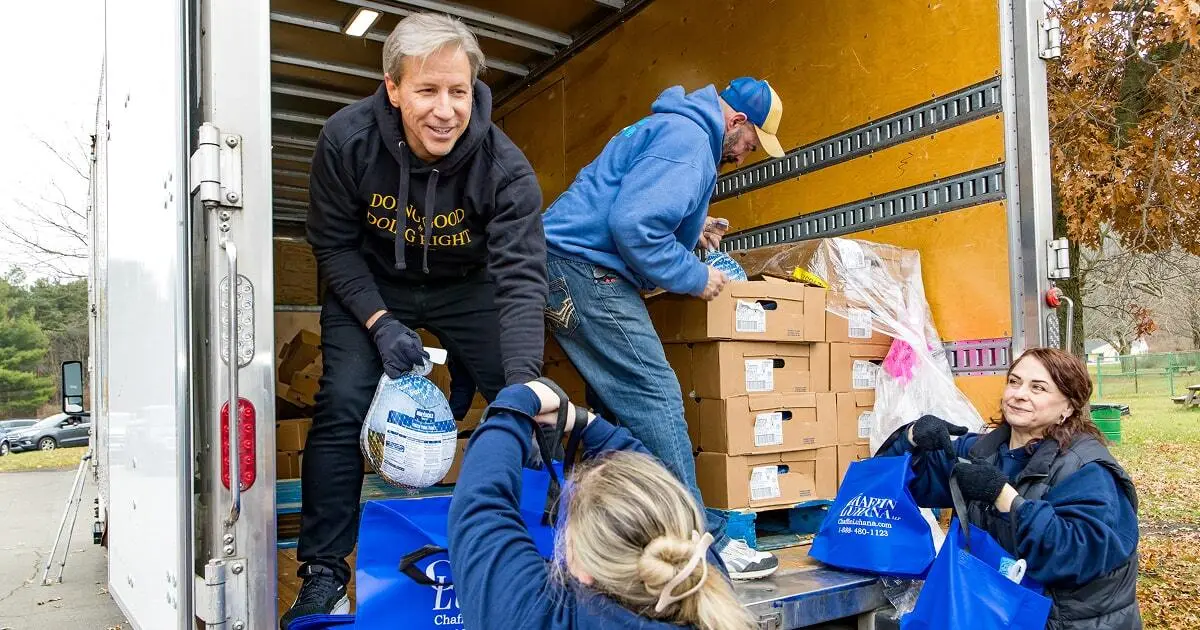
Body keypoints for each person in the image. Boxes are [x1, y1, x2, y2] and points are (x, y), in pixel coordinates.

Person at [283, 13, 547, 627]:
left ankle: (541, 545)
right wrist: (379, 322)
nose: (445, 111)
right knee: (342, 400)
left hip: (466, 285)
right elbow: (333, 246)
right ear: (392, 87)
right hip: (372, 283)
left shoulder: (505, 169)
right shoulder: (345, 142)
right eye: (427, 91)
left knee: (526, 403)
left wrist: (525, 379)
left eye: (459, 91)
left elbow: (520, 279)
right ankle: (323, 574)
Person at [539, 76, 787, 579]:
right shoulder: (691, 141)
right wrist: (695, 276)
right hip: (584, 269)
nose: (743, 156)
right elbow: (634, 226)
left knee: (617, 411)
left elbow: (633, 203)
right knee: (654, 396)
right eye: (749, 144)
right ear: (737, 121)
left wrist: (696, 231)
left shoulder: (674, 127)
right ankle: (706, 546)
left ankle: (616, 534)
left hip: (561, 265)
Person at [448, 380, 757, 630]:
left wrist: (517, 402)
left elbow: (481, 507)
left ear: (582, 572)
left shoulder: (538, 616)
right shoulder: (707, 586)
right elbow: (657, 486)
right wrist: (588, 424)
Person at [878, 347, 1141, 628]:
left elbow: (1073, 556)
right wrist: (911, 438)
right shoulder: (980, 452)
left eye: (1038, 388)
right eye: (1014, 382)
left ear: (1067, 407)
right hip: (987, 612)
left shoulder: (1087, 469)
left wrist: (1004, 497)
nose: (1019, 394)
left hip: (1064, 622)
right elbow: (888, 483)